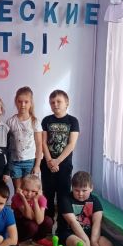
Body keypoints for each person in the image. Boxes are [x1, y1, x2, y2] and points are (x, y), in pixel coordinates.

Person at [41, 89, 79, 220]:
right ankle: (48, 223)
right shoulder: (46, 120)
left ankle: (62, 225)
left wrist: (57, 161)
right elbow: (43, 142)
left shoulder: (72, 121)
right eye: (52, 102)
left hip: (64, 165)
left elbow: (71, 144)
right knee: (48, 194)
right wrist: (49, 161)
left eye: (58, 101)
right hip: (47, 164)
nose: (55, 104)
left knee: (63, 196)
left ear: (66, 103)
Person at [6, 87, 43, 192]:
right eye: (20, 101)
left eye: (26, 102)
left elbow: (39, 144)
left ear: (31, 103)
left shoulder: (35, 122)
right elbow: (7, 144)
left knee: (29, 191)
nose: (22, 105)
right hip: (15, 161)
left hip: (30, 162)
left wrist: (37, 165)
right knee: (18, 191)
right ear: (16, 102)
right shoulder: (10, 122)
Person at [10, 174, 54, 246]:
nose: (29, 194)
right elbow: (29, 216)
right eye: (26, 190)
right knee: (32, 226)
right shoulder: (17, 197)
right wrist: (23, 199)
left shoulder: (42, 199)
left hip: (34, 220)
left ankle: (38, 239)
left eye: (33, 191)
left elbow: (39, 221)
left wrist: (35, 201)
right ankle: (17, 239)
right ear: (21, 188)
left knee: (49, 221)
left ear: (39, 191)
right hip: (19, 223)